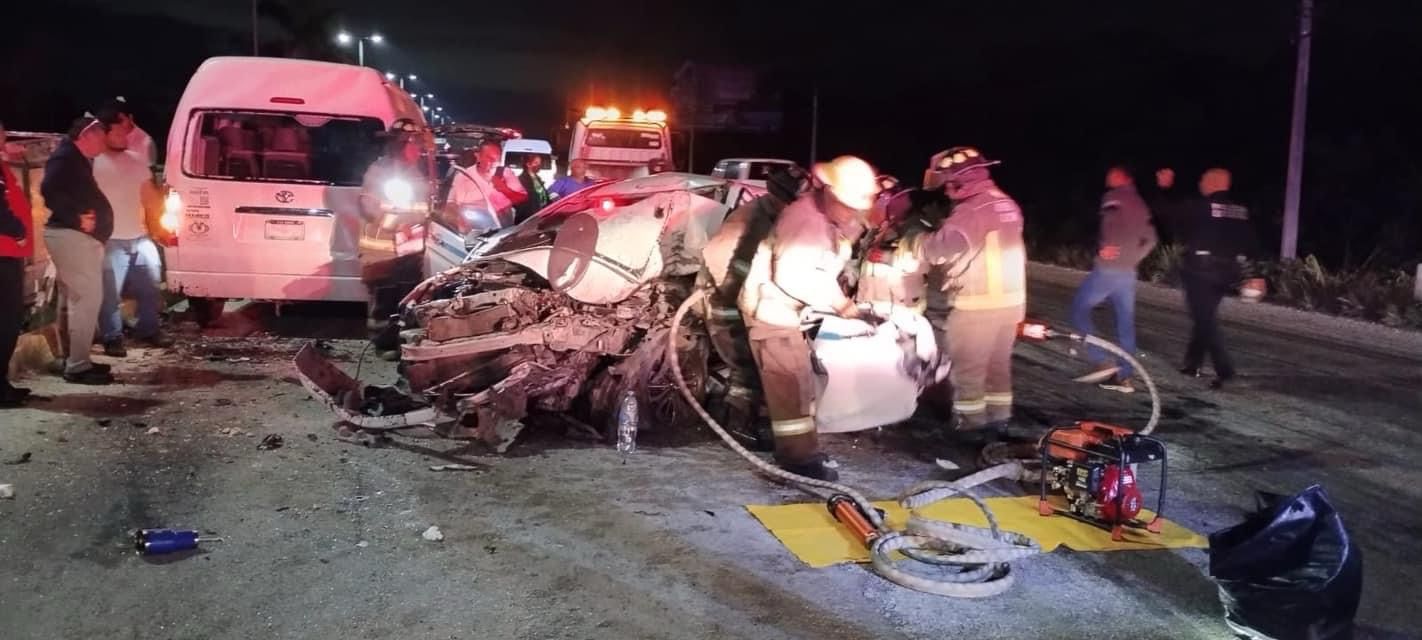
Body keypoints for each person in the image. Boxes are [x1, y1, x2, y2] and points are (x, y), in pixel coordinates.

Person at [738, 156, 878, 481]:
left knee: (789, 382)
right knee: (792, 385)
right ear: (828, 191)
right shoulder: (805, 223)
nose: (851, 212)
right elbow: (794, 278)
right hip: (772, 312)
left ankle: (777, 437)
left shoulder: (825, 217)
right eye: (846, 205)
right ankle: (798, 459)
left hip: (789, 312)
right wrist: (843, 307)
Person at [911, 147, 1026, 440]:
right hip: (1011, 303)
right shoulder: (1005, 203)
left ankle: (970, 426)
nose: (947, 191)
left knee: (968, 369)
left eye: (948, 183)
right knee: (997, 365)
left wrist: (915, 243)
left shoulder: (970, 212)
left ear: (960, 180)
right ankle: (999, 419)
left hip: (979, 304)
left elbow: (939, 250)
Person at [700, 165, 810, 448]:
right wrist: (745, 301)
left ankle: (749, 422)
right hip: (726, 305)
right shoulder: (748, 219)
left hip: (747, 304)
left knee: (758, 369)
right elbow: (718, 258)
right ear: (779, 197)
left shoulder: (776, 218)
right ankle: (738, 429)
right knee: (746, 370)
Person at [1157, 167, 1257, 389]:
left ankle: (1226, 372)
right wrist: (1254, 274)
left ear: (1212, 182)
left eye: (1202, 178)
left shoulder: (1202, 207)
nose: (1200, 182)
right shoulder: (1240, 210)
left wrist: (1165, 190)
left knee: (1205, 320)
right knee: (1205, 316)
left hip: (1200, 272)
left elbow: (1169, 213)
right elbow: (1251, 241)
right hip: (1230, 272)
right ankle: (1193, 364)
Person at [1069, 166, 1158, 393]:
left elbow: (1109, 226)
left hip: (1109, 269)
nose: (1108, 176)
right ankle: (1124, 376)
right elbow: (1151, 239)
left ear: (1124, 177)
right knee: (1125, 322)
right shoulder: (1141, 203)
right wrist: (1132, 257)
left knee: (1079, 309)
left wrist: (1106, 250)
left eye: (1113, 174)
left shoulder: (1113, 197)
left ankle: (1103, 360)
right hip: (1128, 271)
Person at [41, 116, 116, 385]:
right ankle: (77, 365)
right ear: (86, 135)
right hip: (71, 237)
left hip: (74, 238)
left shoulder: (73, 158)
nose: (104, 143)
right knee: (86, 300)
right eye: (101, 137)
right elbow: (48, 189)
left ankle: (75, 359)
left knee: (75, 301)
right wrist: (76, 218)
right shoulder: (65, 158)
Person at [93, 111, 174, 357]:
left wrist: (159, 229)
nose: (124, 136)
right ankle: (112, 337)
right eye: (118, 131)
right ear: (104, 133)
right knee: (110, 294)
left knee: (150, 287)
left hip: (140, 237)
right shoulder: (93, 163)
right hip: (110, 239)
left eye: (125, 130)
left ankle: (148, 329)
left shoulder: (137, 161)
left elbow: (150, 199)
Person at [358, 120, 431, 346]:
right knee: (383, 303)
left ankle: (400, 345)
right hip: (384, 254)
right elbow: (371, 209)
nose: (419, 149)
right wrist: (401, 224)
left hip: (408, 254)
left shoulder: (415, 173)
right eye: (415, 144)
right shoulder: (380, 172)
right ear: (401, 145)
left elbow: (421, 209)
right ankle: (384, 347)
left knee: (405, 301)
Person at [1, 121, 35, 406]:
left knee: (8, 321)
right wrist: (18, 229)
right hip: (3, 253)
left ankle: (2, 384)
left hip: (8, 252)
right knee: (6, 321)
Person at [447, 140, 526, 229]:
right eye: (489, 158)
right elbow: (450, 203)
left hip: (502, 228)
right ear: (478, 156)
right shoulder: (464, 176)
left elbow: (522, 197)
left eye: (497, 158)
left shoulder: (505, 173)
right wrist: (459, 218)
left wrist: (504, 189)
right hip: (472, 230)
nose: (494, 162)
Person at [96, 96, 157, 167]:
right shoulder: (106, 135)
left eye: (121, 120)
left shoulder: (145, 142)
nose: (120, 126)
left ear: (130, 117)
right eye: (116, 122)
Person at [513, 153, 549, 224]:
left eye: (540, 163)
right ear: (528, 164)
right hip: (527, 218)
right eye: (536, 163)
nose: (539, 165)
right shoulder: (521, 180)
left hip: (539, 216)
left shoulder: (537, 179)